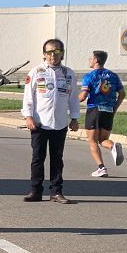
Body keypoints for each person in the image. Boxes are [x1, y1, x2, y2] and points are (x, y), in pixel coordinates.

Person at [21, 39, 80, 203]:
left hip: (60, 123)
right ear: (44, 54)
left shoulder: (68, 73)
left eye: (56, 52)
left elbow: (73, 97)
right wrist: (28, 116)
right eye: (49, 52)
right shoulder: (36, 72)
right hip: (39, 123)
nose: (52, 55)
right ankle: (35, 191)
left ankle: (56, 192)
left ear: (62, 53)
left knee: (57, 159)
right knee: (37, 158)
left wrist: (74, 118)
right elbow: (28, 97)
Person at [79, 50, 125, 177]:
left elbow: (83, 96)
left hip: (94, 110)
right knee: (103, 139)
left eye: (91, 58)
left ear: (96, 60)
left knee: (92, 141)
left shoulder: (90, 76)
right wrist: (114, 107)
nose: (89, 60)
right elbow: (122, 93)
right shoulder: (113, 76)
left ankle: (101, 168)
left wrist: (70, 101)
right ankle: (113, 146)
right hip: (109, 110)